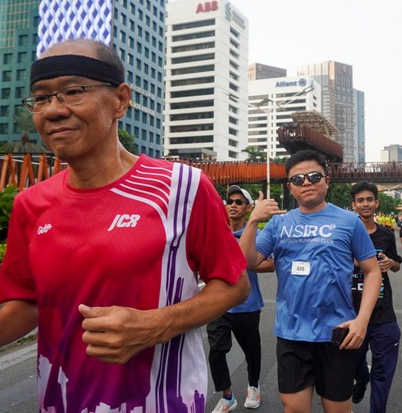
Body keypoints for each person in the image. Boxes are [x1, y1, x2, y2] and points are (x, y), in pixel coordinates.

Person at [0, 39, 250, 412]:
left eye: (72, 92)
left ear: (120, 99)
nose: (53, 110)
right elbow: (27, 303)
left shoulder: (182, 188)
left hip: (162, 402)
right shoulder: (30, 204)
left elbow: (235, 284)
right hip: (59, 401)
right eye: (41, 98)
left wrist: (157, 324)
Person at [240, 149, 382, 413]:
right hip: (291, 333)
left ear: (327, 180)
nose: (306, 182)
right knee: (294, 409)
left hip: (337, 333)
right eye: (298, 179)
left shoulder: (350, 221)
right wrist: (253, 221)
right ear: (290, 187)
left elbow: (373, 271)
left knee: (337, 410)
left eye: (314, 176)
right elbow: (248, 261)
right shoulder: (278, 224)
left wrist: (362, 320)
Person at [208, 185, 275, 412]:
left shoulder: (256, 234)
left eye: (239, 202)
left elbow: (270, 264)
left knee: (252, 351)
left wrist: (241, 262)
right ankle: (227, 396)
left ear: (248, 208)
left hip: (247, 304)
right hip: (218, 304)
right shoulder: (216, 231)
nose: (233, 205)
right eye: (230, 201)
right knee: (216, 351)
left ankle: (253, 386)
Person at [350, 182, 402, 413]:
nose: (365, 204)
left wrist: (390, 263)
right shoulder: (345, 233)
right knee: (353, 363)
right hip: (351, 312)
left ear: (376, 203)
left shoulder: (386, 234)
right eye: (360, 200)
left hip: (383, 312)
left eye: (369, 199)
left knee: (383, 372)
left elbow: (397, 264)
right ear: (354, 205)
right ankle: (362, 379)